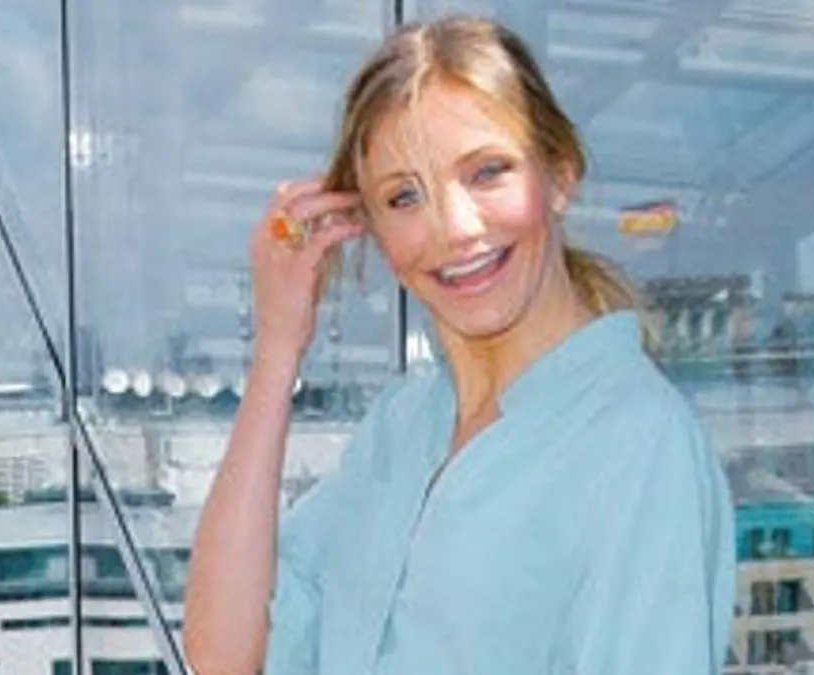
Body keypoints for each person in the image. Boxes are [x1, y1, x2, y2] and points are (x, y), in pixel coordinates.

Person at [184, 15, 735, 675]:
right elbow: (223, 655)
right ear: (371, 230)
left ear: (559, 174)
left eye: (487, 172)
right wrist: (277, 348)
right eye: (404, 197)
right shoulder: (403, 423)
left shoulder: (638, 441)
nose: (454, 227)